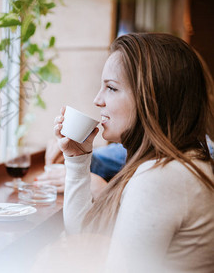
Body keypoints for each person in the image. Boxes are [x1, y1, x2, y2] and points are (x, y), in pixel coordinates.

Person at [53, 33, 214, 272]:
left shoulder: (161, 177)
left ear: (153, 98)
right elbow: (86, 241)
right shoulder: (173, 164)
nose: (97, 100)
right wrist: (78, 160)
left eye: (111, 88)